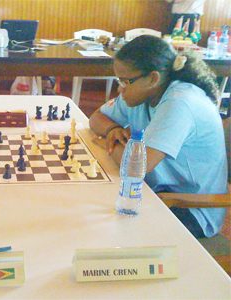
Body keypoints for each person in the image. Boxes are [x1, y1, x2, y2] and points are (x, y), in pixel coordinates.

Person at [89, 35, 227, 238]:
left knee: (102, 229)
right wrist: (111, 131)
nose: (120, 89)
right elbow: (96, 118)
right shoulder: (142, 94)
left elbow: (135, 168)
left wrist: (105, 144)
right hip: (155, 191)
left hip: (189, 209)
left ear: (153, 78)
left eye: (126, 81)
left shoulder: (180, 102)